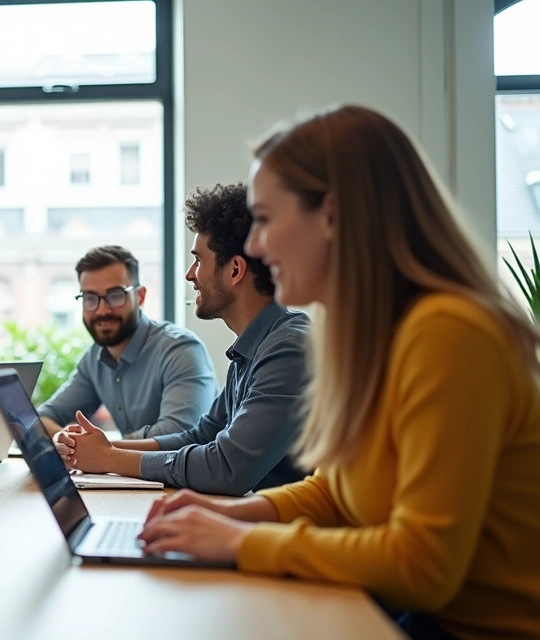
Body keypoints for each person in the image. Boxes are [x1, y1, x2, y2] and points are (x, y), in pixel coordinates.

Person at [136, 105, 540, 640]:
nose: (253, 246)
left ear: (329, 215)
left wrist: (240, 542)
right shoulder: (374, 333)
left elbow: (423, 567)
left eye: (265, 219)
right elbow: (335, 491)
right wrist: (237, 517)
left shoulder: (448, 332)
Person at [54, 184, 310, 495]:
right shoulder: (251, 351)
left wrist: (109, 457)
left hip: (289, 533)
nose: (190, 275)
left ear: (235, 270)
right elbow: (200, 436)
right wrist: (97, 447)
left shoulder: (288, 348)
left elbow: (227, 468)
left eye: (199, 261)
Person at [37, 246, 216, 438]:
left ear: (140, 296)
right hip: (130, 468)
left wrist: (99, 451)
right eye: (90, 298)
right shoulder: (95, 359)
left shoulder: (181, 351)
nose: (101, 310)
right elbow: (44, 418)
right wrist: (65, 442)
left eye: (115, 296)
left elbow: (177, 435)